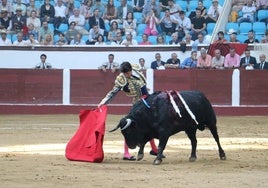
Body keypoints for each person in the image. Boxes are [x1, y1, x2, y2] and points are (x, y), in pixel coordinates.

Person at [97, 62, 159, 160]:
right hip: (137, 103)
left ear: (131, 70)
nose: (126, 75)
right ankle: (126, 153)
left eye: (128, 73)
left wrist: (144, 89)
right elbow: (112, 93)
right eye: (125, 74)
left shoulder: (135, 69)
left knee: (149, 124)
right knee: (129, 127)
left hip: (147, 100)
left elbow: (141, 83)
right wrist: (103, 102)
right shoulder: (121, 79)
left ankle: (154, 149)